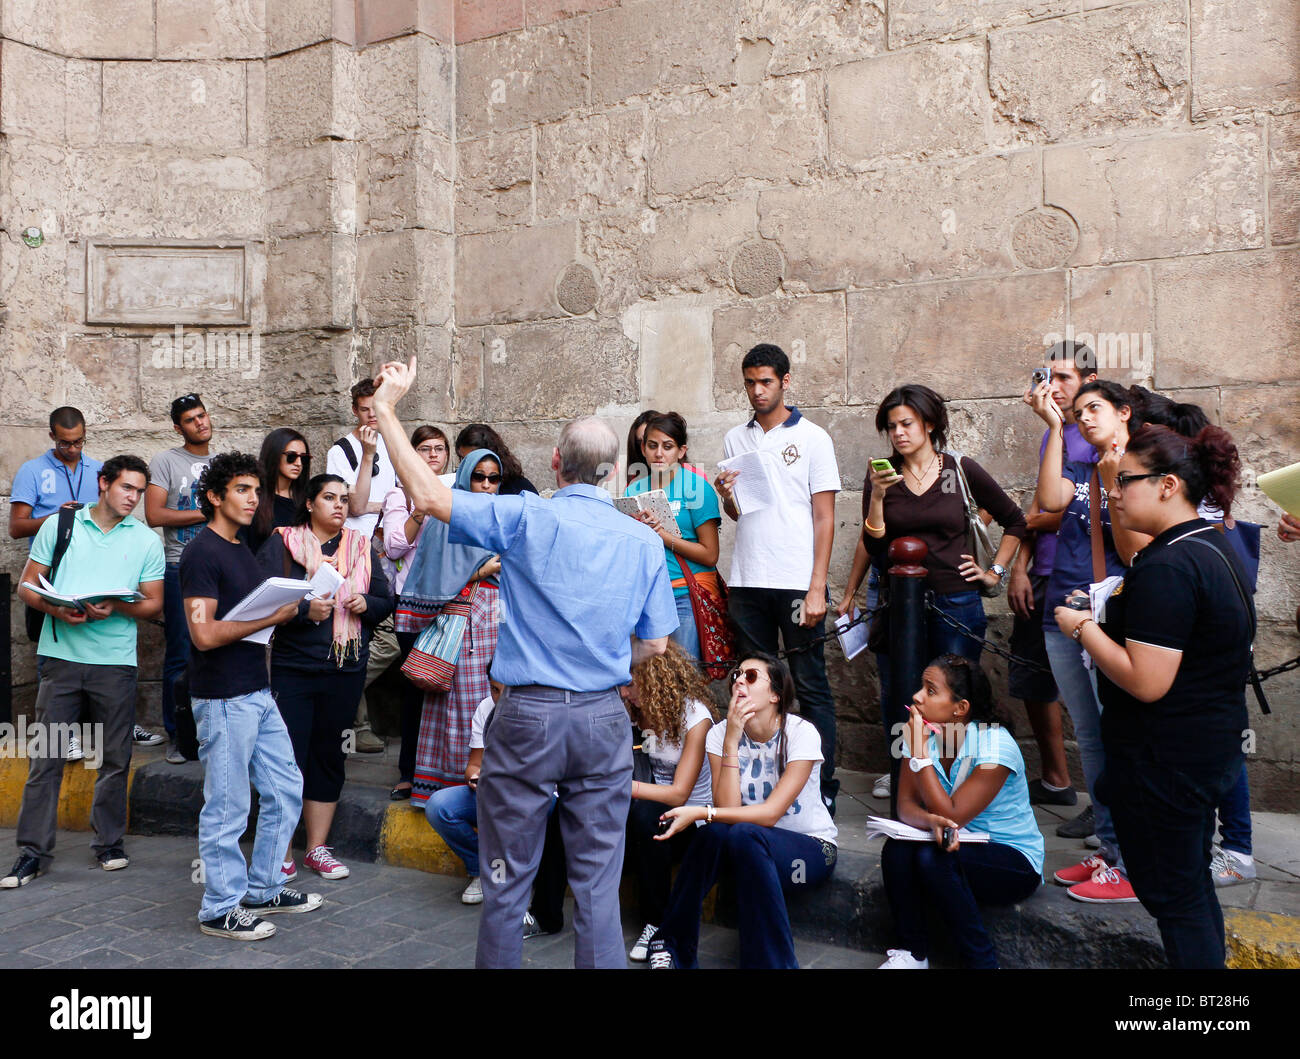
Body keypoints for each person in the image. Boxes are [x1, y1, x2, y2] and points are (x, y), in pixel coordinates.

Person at [370, 357, 677, 969]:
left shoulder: (527, 516)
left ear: (557, 465)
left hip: (528, 716)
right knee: (596, 885)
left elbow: (430, 496)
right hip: (602, 721)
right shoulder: (643, 538)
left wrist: (385, 410)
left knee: (508, 881)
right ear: (615, 471)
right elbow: (656, 647)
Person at [1054, 424, 1252, 969]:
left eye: (1125, 482)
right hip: (1198, 752)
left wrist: (1080, 626)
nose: (1113, 493)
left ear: (1168, 485)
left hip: (1167, 762)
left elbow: (1147, 680)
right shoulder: (1209, 544)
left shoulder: (1169, 565)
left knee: (1177, 897)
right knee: (1188, 889)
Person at [849, 384, 1027, 803]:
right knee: (900, 700)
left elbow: (1015, 520)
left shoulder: (959, 470)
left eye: (907, 423)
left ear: (929, 424)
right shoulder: (882, 476)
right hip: (899, 606)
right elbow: (875, 546)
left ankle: (954, 791)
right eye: (891, 427)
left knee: (953, 703)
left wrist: (993, 571)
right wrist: (876, 493)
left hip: (955, 604)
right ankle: (904, 787)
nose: (899, 433)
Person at [2, 456, 164, 888]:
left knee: (115, 758)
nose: (133, 498)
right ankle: (32, 854)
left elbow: (153, 604)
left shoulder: (146, 540)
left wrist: (117, 606)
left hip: (116, 663)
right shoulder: (61, 525)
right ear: (104, 483)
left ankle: (109, 844)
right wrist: (56, 606)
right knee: (46, 759)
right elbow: (26, 585)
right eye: (126, 487)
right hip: (61, 660)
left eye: (139, 491)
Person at [181, 453, 322, 940]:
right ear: (215, 497)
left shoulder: (240, 547)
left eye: (256, 490)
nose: (252, 499)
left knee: (285, 788)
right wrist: (272, 618)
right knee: (227, 805)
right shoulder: (201, 553)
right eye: (242, 489)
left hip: (256, 691)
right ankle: (220, 908)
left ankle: (263, 888)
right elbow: (203, 636)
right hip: (222, 698)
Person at [1027, 378, 1151, 902]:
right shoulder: (1079, 468)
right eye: (1078, 412)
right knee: (1092, 735)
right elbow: (1048, 497)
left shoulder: (1144, 468)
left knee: (1121, 736)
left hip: (1114, 620)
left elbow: (1135, 548)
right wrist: (1055, 427)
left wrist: (1114, 477)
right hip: (1064, 613)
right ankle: (1111, 847)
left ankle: (1134, 862)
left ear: (1124, 412)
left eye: (1093, 408)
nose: (1084, 417)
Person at [646, 653, 838, 969]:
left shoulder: (801, 733)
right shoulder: (720, 734)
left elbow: (770, 815)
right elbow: (728, 809)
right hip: (748, 847)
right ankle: (671, 943)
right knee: (717, 833)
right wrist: (732, 742)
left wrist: (700, 813)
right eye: (737, 674)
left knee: (737, 830)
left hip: (809, 851)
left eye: (750, 677)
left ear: (776, 694)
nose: (738, 679)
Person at [714, 344, 841, 812]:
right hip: (748, 577)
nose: (757, 391)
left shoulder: (814, 438)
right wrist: (727, 496)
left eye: (766, 381)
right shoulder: (735, 438)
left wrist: (816, 587)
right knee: (752, 683)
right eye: (750, 382)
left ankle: (824, 784)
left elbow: (825, 518)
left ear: (785, 381)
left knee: (809, 684)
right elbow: (738, 512)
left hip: (794, 579)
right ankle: (759, 778)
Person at [258, 474, 393, 882]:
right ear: (310, 504)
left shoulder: (360, 546)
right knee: (286, 757)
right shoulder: (283, 543)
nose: (338, 505)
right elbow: (264, 598)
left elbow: (387, 601)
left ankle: (317, 848)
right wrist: (304, 610)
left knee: (329, 755)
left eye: (343, 498)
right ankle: (280, 851)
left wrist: (362, 601)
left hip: (344, 667)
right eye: (329, 498)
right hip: (293, 668)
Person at [877, 655, 1043, 969]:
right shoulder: (924, 734)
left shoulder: (996, 747)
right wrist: (929, 820)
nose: (917, 696)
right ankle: (912, 955)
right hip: (956, 843)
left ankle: (981, 962)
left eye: (930, 690)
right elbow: (906, 806)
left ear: (960, 708)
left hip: (1010, 857)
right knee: (896, 850)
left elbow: (954, 816)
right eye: (921, 688)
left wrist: (920, 754)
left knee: (934, 858)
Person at [1007, 343, 1096, 810]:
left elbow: (1080, 511)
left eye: (1065, 378)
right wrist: (1018, 567)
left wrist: (1038, 519)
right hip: (1042, 571)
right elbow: (1040, 507)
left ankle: (1105, 809)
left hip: (1082, 576)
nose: (1054, 387)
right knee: (1034, 681)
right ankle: (1057, 780)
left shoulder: (1099, 434)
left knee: (1090, 695)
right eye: (1049, 376)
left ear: (1090, 379)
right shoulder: (1053, 433)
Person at [424, 688, 568, 938]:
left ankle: (518, 880)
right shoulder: (486, 708)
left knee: (542, 809)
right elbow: (473, 765)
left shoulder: (543, 710)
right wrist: (474, 778)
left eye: (505, 689)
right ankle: (483, 869)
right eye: (494, 689)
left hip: (537, 798)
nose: (500, 696)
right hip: (493, 792)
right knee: (439, 806)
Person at [404, 450, 502, 806]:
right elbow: (433, 579)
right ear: (464, 478)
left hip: (498, 624)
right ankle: (453, 792)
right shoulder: (446, 519)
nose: (487, 486)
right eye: (480, 477)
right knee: (461, 708)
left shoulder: (500, 517)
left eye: (494, 478)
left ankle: (492, 786)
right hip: (461, 630)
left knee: (494, 706)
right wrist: (482, 571)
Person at [621, 642, 717, 961]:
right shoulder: (636, 712)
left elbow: (678, 794)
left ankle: (656, 925)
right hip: (648, 812)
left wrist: (622, 786)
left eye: (631, 683)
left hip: (692, 819)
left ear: (652, 679)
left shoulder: (695, 718)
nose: (624, 692)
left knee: (647, 814)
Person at [147, 393, 220, 764]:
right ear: (179, 427)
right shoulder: (166, 461)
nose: (200, 423)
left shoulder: (223, 463)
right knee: (179, 653)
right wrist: (205, 512)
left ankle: (212, 735)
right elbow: (155, 515)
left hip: (219, 568)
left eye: (203, 416)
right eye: (191, 419)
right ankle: (176, 734)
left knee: (219, 650)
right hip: (179, 566)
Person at [329, 380, 398, 755]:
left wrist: (385, 508)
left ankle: (338, 689)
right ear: (355, 410)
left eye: (378, 407)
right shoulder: (343, 450)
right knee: (353, 630)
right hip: (351, 551)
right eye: (366, 408)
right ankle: (358, 725)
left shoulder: (393, 443)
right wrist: (369, 455)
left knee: (384, 639)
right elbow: (352, 506)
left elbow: (401, 496)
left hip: (384, 550)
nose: (373, 415)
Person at [382, 425, 452, 796]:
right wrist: (421, 511)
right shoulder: (400, 496)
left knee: (450, 690)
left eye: (440, 449)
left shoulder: (456, 492)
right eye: (425, 449)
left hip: (452, 604)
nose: (433, 456)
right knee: (415, 687)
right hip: (412, 605)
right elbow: (394, 547)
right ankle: (409, 771)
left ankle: (446, 770)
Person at [623, 412, 721, 661]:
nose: (659, 454)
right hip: (646, 596)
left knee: (686, 681)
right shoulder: (633, 489)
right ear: (643, 449)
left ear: (681, 451)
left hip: (685, 595)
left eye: (667, 447)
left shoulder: (697, 487)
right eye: (652, 445)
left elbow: (710, 555)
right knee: (649, 685)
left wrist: (664, 537)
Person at [8, 407, 103, 541]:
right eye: (64, 443)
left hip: (92, 557)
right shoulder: (31, 470)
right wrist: (59, 518)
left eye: (78, 442)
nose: (72, 449)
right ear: (52, 436)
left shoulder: (100, 470)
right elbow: (15, 529)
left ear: (85, 433)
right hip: (50, 559)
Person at [247, 428, 310, 554]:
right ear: (274, 455)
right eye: (291, 457)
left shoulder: (307, 499)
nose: (298, 463)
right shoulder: (254, 497)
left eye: (303, 458)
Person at [453, 424, 538, 495]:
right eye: (463, 459)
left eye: (493, 478)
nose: (486, 485)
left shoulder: (518, 491)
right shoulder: (454, 494)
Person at [624, 409, 662, 488]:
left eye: (653, 443)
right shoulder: (634, 485)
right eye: (641, 442)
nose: (658, 453)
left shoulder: (692, 478)